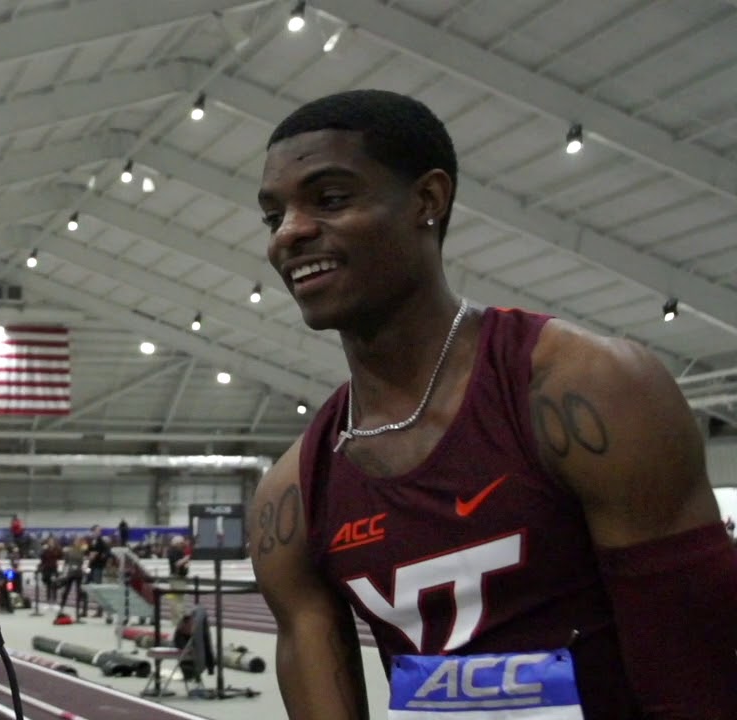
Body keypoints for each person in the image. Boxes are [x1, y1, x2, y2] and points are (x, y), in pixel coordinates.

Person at [248, 90, 737, 718]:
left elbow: (701, 683)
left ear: (428, 200)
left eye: (331, 199)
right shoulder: (293, 493)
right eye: (273, 216)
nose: (290, 233)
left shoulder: (587, 390)